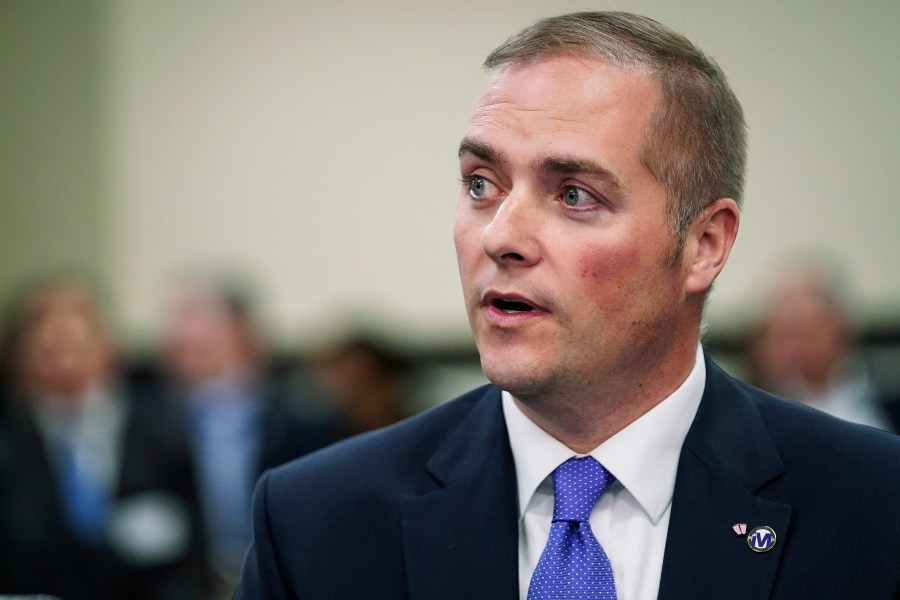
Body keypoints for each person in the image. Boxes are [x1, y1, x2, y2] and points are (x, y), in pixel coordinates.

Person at [235, 12, 900, 599]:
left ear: (703, 244)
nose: (501, 236)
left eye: (574, 194)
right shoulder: (317, 523)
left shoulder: (874, 506)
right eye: (481, 183)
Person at [0, 275, 208, 600]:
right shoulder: (10, 443)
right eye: (50, 350)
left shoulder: (163, 433)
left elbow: (194, 551)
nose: (65, 364)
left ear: (110, 347)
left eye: (76, 346)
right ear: (22, 357)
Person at [161, 275, 336, 595]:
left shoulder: (302, 419)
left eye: (202, 340)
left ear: (242, 334)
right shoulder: (156, 428)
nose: (182, 347)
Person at [746, 259, 896, 432]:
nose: (792, 349)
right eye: (782, 336)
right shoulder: (749, 411)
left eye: (802, 333)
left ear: (839, 331)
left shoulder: (886, 396)